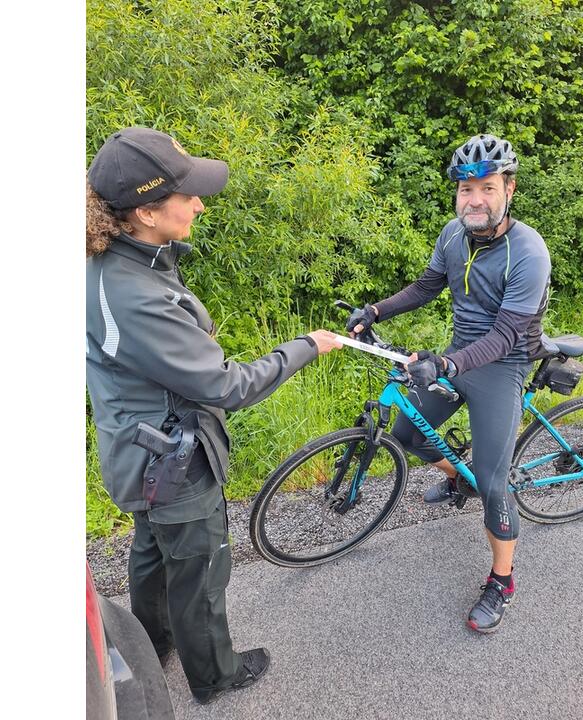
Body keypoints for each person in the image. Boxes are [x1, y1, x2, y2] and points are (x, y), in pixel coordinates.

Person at [85, 126, 342, 704]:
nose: (199, 203)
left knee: (153, 551)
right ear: (146, 212)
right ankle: (214, 675)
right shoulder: (135, 293)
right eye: (187, 195)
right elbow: (227, 385)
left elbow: (158, 352)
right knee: (200, 569)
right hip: (171, 460)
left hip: (136, 451)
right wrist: (305, 346)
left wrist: (189, 337)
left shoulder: (115, 260)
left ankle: (152, 644)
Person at [346, 133, 551, 633]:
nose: (474, 199)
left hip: (503, 365)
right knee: (406, 434)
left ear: (509, 188)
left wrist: (447, 366)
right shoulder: (452, 236)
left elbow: (505, 336)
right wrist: (375, 309)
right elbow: (426, 287)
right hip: (457, 357)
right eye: (464, 189)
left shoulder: (528, 251)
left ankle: (502, 581)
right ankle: (457, 476)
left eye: (485, 187)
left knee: (494, 483)